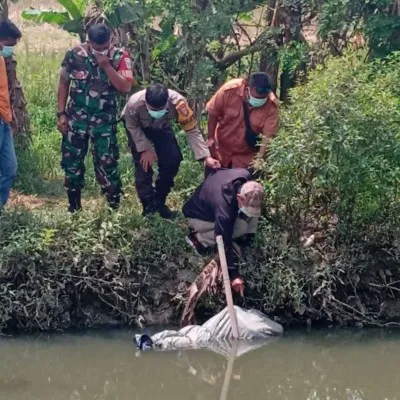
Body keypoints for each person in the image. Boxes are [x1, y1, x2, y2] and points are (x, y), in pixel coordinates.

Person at [57, 23, 135, 213]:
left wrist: (107, 66)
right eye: (96, 47)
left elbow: (125, 87)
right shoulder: (74, 55)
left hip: (104, 124)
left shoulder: (120, 57)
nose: (101, 50)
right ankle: (73, 207)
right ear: (89, 41)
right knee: (72, 163)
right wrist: (61, 114)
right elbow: (63, 83)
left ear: (111, 40)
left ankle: (113, 209)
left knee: (108, 164)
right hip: (76, 121)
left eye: (104, 46)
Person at [121, 83, 220, 219]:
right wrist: (145, 149)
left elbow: (191, 129)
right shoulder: (134, 103)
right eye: (153, 109)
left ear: (167, 102)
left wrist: (206, 157)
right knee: (144, 165)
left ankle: (159, 201)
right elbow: (131, 126)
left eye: (161, 108)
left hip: (161, 127)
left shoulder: (179, 103)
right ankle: (149, 207)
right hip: (138, 129)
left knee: (173, 159)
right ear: (146, 102)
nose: (157, 111)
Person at [182, 168, 265, 296]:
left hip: (210, 202)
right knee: (240, 227)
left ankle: (248, 237)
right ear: (239, 198)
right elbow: (223, 242)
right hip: (196, 216)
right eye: (247, 207)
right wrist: (234, 275)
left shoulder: (246, 177)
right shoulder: (224, 210)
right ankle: (199, 239)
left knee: (245, 223)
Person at [206, 72, 279, 172]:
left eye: (263, 98)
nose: (260, 100)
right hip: (220, 154)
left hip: (245, 160)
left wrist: (259, 159)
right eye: (257, 97)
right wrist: (210, 138)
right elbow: (213, 112)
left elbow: (268, 137)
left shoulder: (271, 107)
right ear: (248, 87)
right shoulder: (229, 90)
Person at [0, 20, 22, 214]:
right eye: (8, 45)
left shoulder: (0, 60)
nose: (9, 50)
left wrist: (9, 112)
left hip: (3, 119)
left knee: (10, 169)